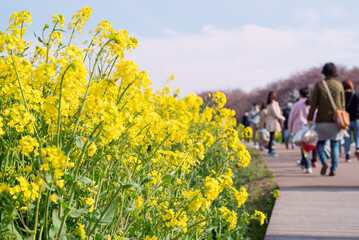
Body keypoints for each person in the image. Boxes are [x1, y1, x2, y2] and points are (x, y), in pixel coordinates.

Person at [307, 63, 345, 176]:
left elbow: (313, 104)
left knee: (319, 144)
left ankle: (324, 162)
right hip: (336, 121)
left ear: (324, 71)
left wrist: (309, 119)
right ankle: (333, 169)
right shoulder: (339, 86)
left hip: (321, 120)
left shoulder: (319, 85)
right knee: (335, 145)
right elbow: (343, 105)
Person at [288, 87, 312, 173]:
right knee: (306, 148)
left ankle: (308, 166)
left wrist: (290, 128)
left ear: (300, 94)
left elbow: (291, 118)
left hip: (299, 129)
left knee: (303, 148)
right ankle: (304, 163)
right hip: (310, 128)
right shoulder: (311, 104)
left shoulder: (297, 104)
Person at [342, 79, 359, 162]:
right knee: (357, 136)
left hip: (346, 120)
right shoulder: (356, 95)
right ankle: (358, 150)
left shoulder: (342, 96)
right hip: (356, 119)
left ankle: (347, 155)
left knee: (347, 138)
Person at [266, 91, 286, 157]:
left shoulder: (269, 104)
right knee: (272, 137)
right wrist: (283, 118)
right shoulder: (273, 104)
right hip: (273, 122)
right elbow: (276, 114)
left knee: (271, 137)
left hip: (270, 121)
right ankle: (270, 151)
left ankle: (270, 150)